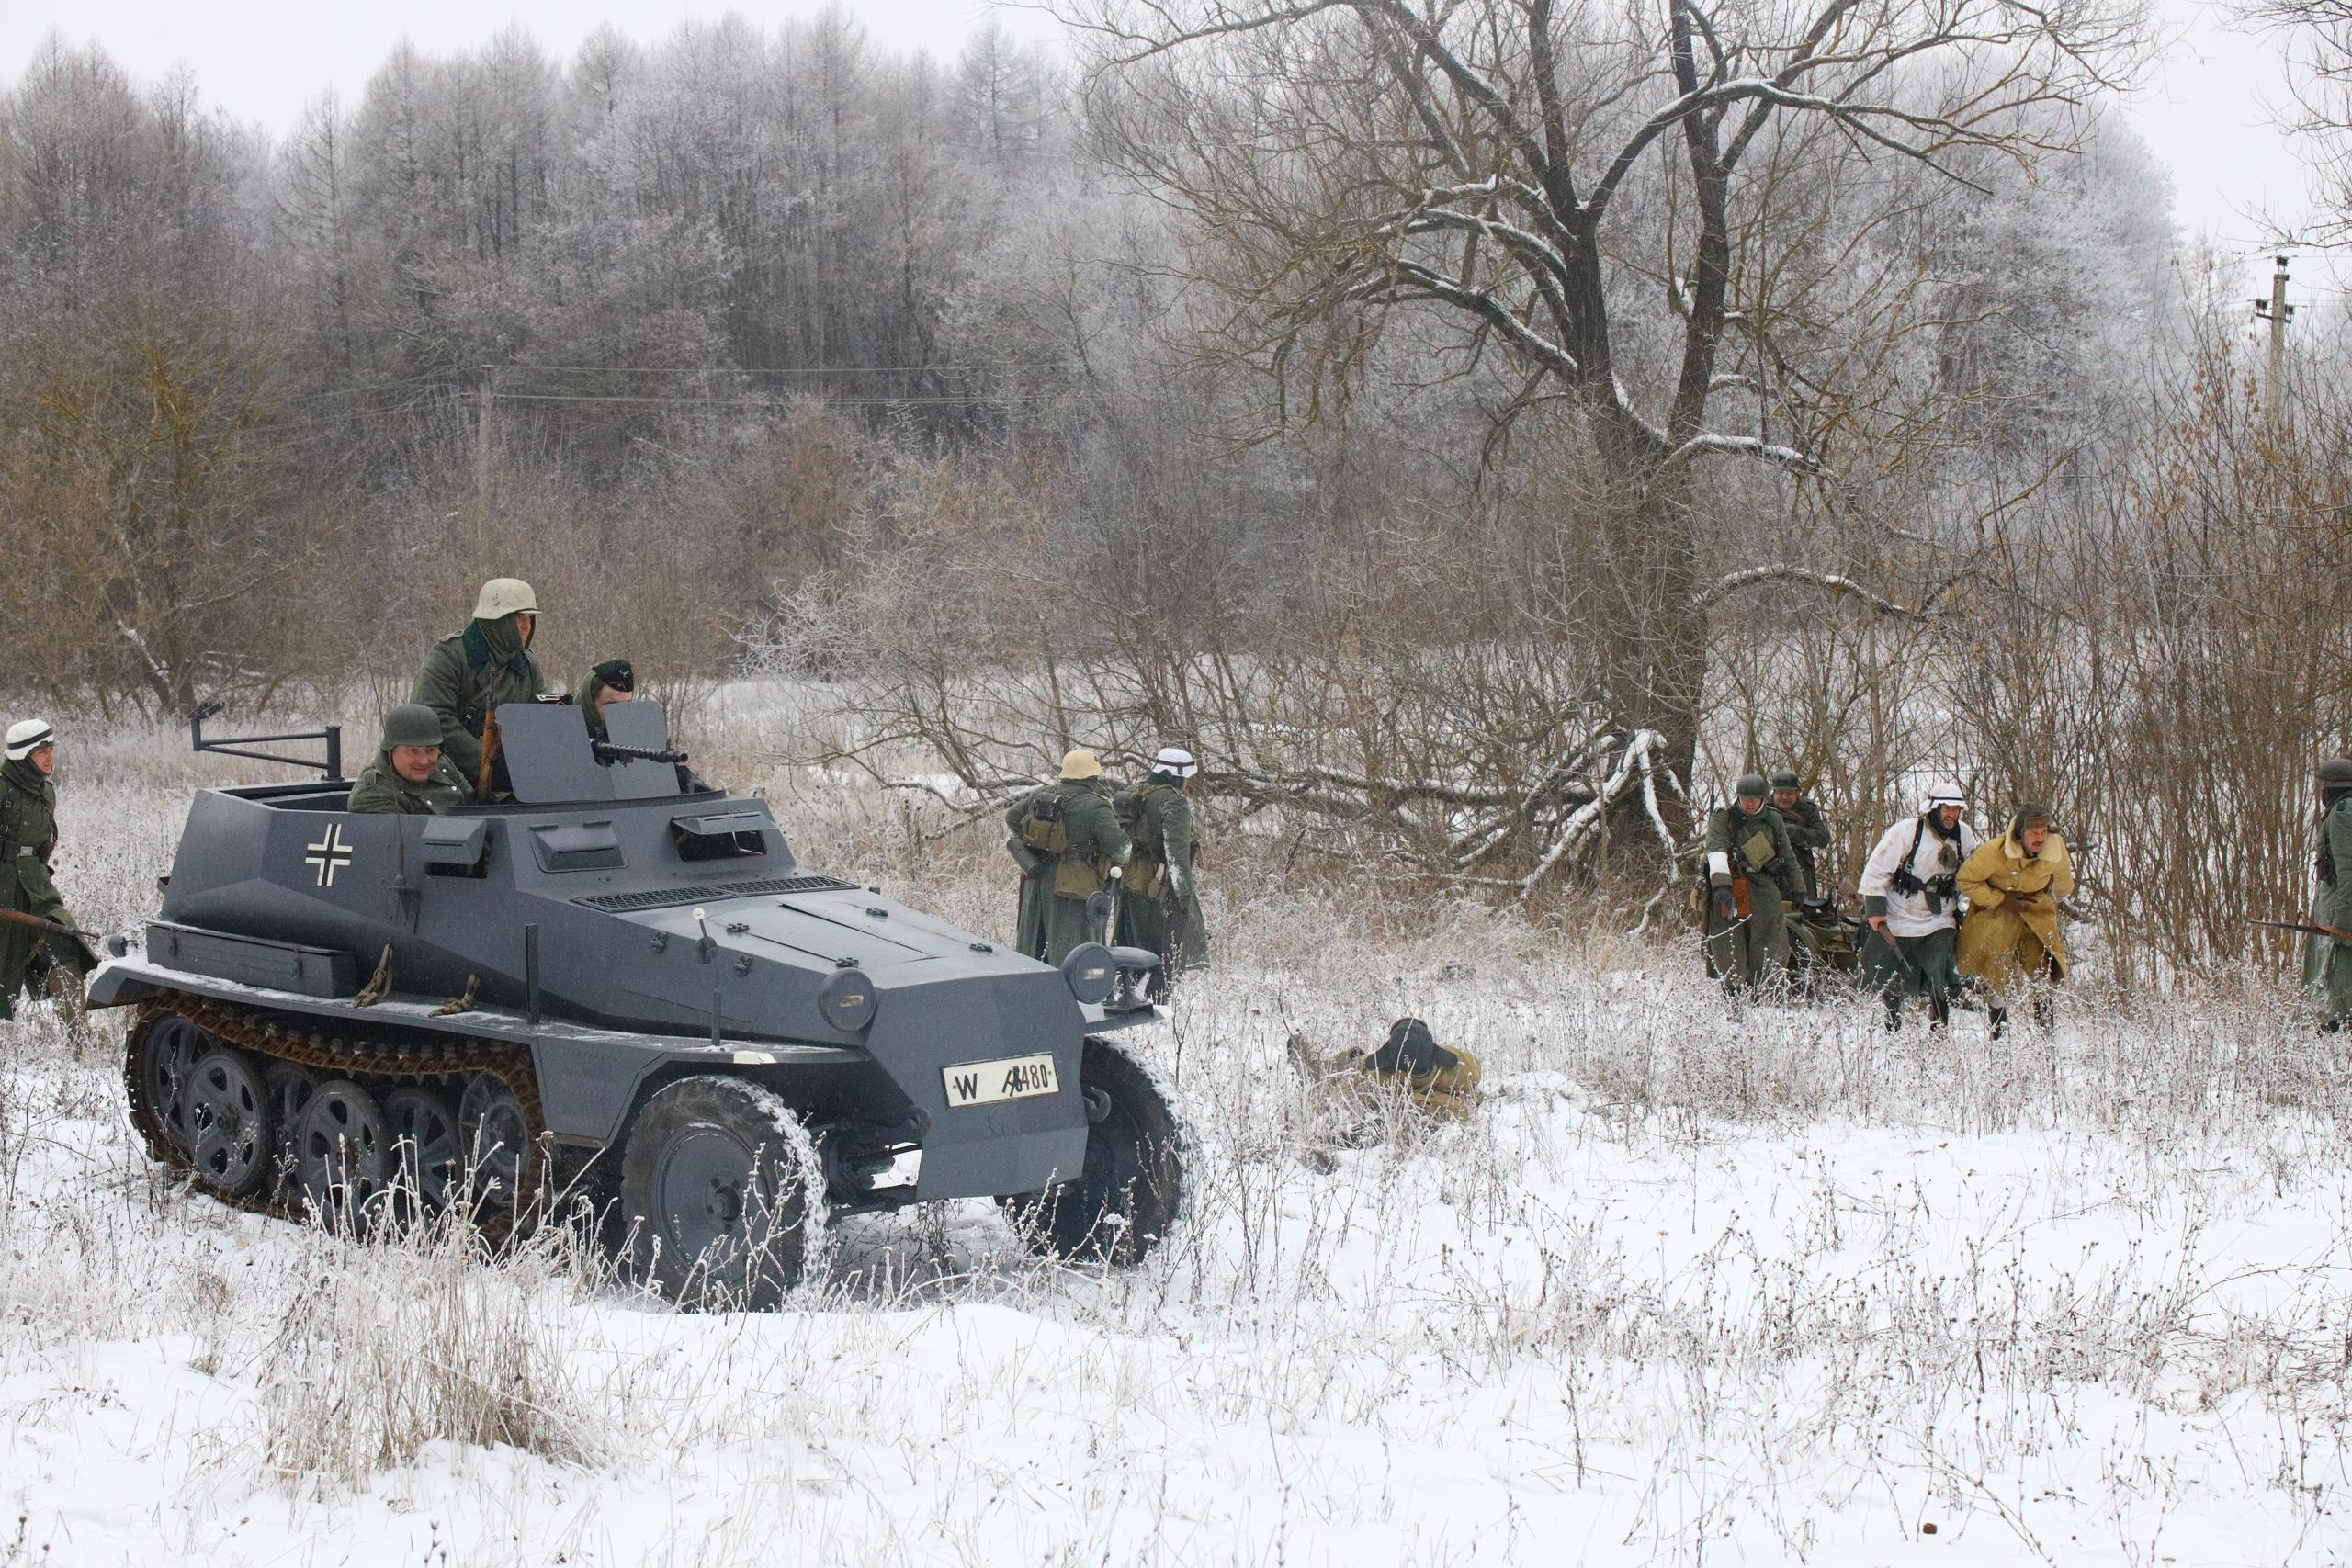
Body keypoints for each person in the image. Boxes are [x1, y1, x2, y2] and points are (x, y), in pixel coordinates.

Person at [409, 578, 555, 788]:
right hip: (449, 780)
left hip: (514, 779)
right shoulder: (450, 656)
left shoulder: (527, 664)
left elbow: (541, 720)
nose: (526, 626)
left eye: (530, 618)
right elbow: (432, 719)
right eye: (518, 618)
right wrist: (487, 763)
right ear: (497, 620)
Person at [1858, 781, 1981, 1030]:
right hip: (1899, 912)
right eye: (1946, 808)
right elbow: (1877, 870)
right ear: (1934, 808)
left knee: (1940, 971)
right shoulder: (1907, 831)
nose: (1951, 815)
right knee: (1889, 973)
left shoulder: (1964, 834)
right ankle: (1892, 1025)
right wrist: (1876, 911)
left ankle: (1939, 1028)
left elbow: (1977, 870)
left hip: (1940, 915)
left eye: (1956, 810)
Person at [0, 719, 96, 1021]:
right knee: (3, 959)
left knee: (64, 943)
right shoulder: (2, 788)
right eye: (41, 752)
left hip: (37, 884)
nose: (49, 758)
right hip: (3, 884)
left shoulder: (46, 790)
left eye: (50, 750)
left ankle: (79, 1036)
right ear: (23, 756)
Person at [1004, 749, 1131, 966]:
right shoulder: (1096, 805)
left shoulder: (1041, 795)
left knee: (1035, 939)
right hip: (1074, 884)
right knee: (1075, 945)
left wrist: (1036, 845)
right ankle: (1074, 993)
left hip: (1037, 875)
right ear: (1092, 776)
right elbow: (1120, 847)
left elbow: (1012, 817)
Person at [1957, 802, 2073, 1036]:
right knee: (1995, 973)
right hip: (1998, 915)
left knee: (2042, 971)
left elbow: (2063, 881)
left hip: (2035, 914)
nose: (2040, 839)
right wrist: (1999, 900)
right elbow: (1966, 879)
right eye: (2033, 834)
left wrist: (2055, 894)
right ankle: (1998, 1032)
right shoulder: (1995, 851)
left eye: (2043, 833)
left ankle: (2045, 1035)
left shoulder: (2055, 847)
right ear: (2021, 834)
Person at [1118, 745, 1210, 1001]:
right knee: (1169, 947)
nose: (1187, 784)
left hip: (1131, 882)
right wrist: (1183, 895)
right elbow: (1176, 853)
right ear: (1176, 775)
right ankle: (1158, 1003)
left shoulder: (1134, 792)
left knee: (1134, 943)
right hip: (1160, 885)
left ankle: (1119, 995)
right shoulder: (1174, 801)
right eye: (1186, 778)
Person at [1702, 773, 1800, 997]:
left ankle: (1764, 992)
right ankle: (1733, 992)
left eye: (1754, 798)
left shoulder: (1773, 818)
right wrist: (1721, 885)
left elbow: (1787, 854)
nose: (1749, 803)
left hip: (1763, 888)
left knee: (1768, 940)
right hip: (1731, 886)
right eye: (1745, 798)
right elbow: (1716, 850)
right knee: (1730, 942)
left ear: (1763, 799)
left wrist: (1798, 887)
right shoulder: (1723, 818)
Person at [347, 705, 476, 815]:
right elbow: (405, 839)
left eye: (431, 750)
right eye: (413, 751)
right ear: (390, 750)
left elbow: (477, 808)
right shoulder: (372, 794)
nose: (424, 761)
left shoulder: (442, 765)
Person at [2303, 757, 2352, 1031]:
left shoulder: (2344, 812)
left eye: (2324, 783)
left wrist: (2344, 923)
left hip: (2343, 913)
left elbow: (2349, 870)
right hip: (2339, 909)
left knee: (2340, 990)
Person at [1770, 770, 1832, 897]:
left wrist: (1796, 832)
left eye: (1790, 793)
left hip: (1801, 867)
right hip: (1769, 869)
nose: (1785, 797)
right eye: (1781, 793)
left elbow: (1822, 837)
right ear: (1774, 792)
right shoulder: (1763, 807)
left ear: (1797, 793)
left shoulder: (1807, 809)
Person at [579, 659, 635, 742]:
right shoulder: (565, 732)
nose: (621, 713)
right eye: (611, 706)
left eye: (627, 705)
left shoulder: (635, 734)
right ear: (590, 704)